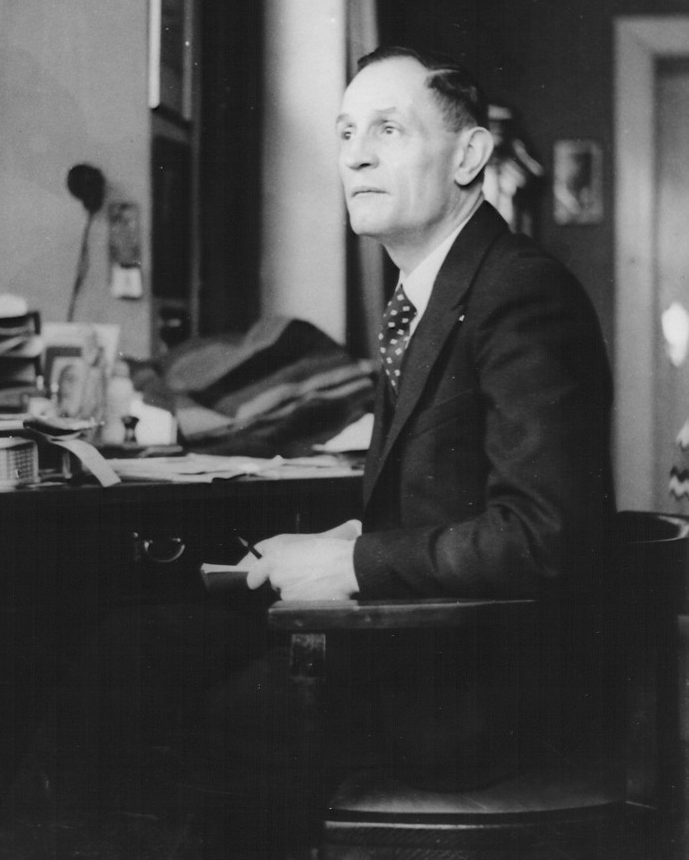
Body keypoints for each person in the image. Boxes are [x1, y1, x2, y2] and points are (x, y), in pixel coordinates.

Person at [237, 45, 616, 768]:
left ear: (470, 153)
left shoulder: (520, 292)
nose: (355, 158)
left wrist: (353, 563)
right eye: (346, 133)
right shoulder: (429, 294)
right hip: (430, 653)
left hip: (482, 696)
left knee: (149, 706)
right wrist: (348, 540)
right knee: (145, 644)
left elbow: (546, 538)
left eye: (388, 130)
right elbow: (455, 495)